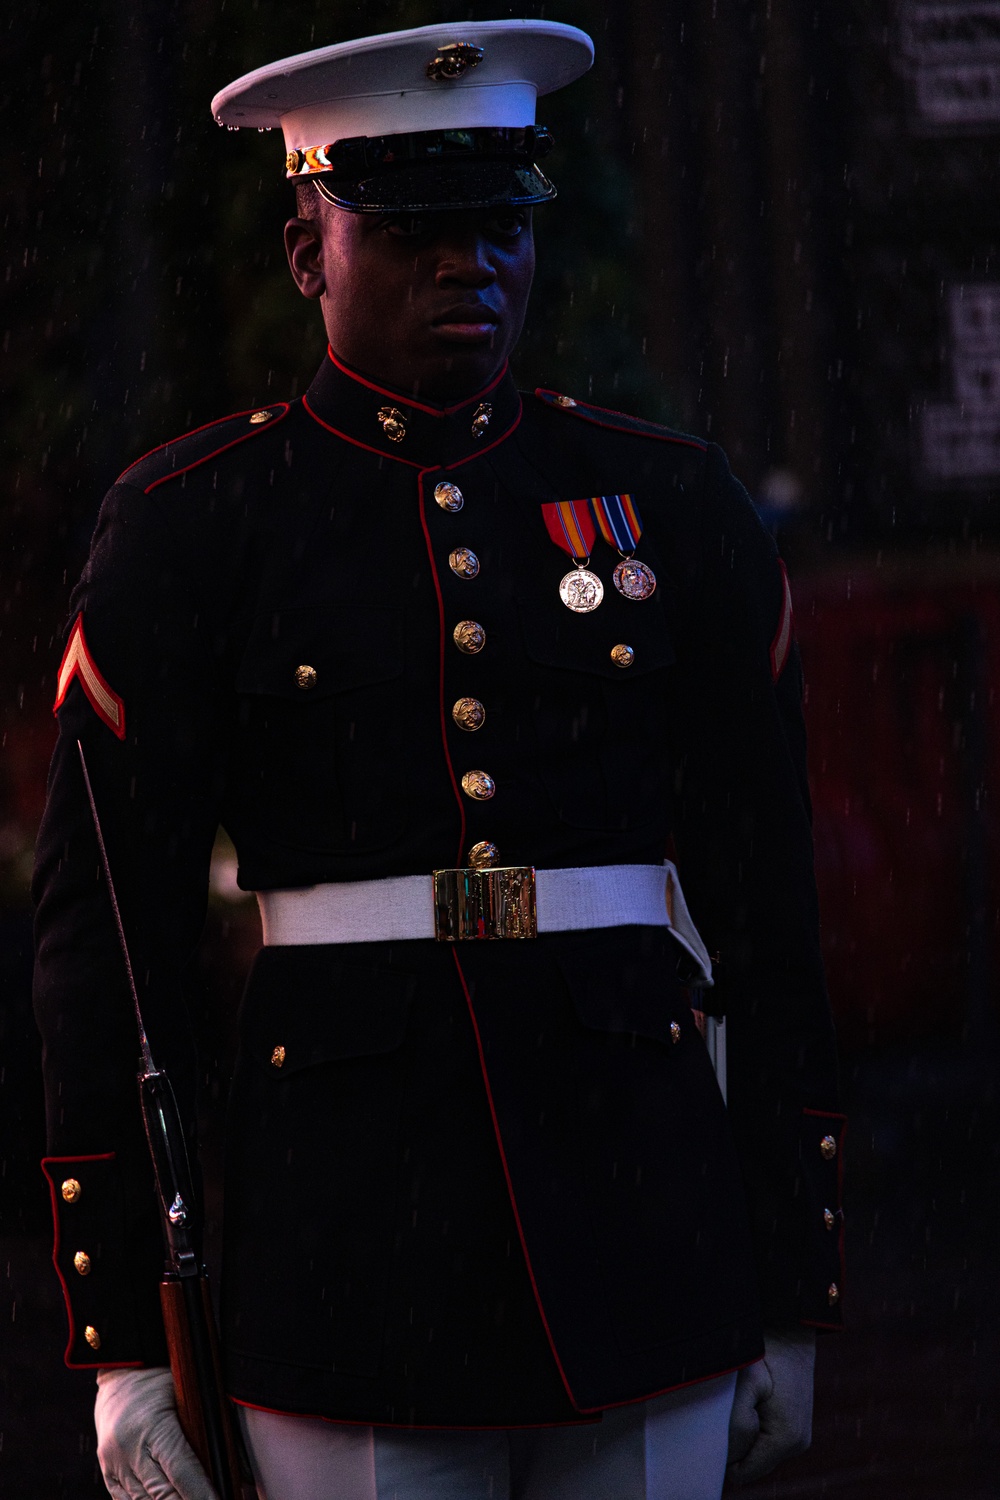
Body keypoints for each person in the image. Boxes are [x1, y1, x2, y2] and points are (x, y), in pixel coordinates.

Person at [32, 18, 845, 1500]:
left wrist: (793, 1284)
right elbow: (107, 952)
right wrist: (123, 1338)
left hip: (645, 1228)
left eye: (496, 226)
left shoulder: (666, 503)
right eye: (409, 231)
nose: (466, 265)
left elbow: (775, 921)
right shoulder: (195, 525)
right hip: (349, 1249)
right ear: (307, 250)